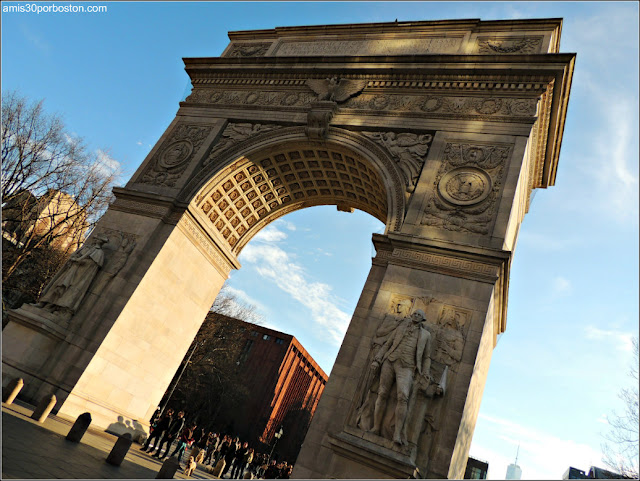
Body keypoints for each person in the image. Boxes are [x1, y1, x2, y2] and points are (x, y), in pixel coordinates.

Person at [369, 309, 432, 445]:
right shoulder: (401, 327)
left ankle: (397, 433)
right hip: (389, 361)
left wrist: (425, 372)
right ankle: (376, 427)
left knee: (403, 397)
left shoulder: (426, 335)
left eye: (419, 315)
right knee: (382, 393)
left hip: (407, 366)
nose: (416, 316)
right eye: (414, 313)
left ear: (423, 319)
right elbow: (388, 344)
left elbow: (427, 356)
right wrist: (378, 359)